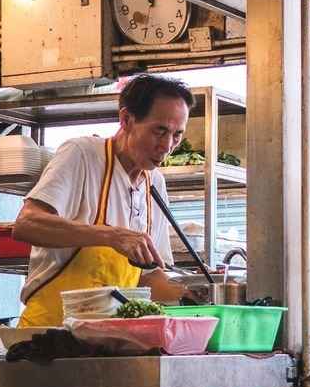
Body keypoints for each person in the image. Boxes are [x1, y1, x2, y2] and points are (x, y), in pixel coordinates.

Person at [13, 75, 195, 327]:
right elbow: (27, 224)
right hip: (52, 336)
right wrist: (112, 236)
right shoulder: (82, 154)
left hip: (113, 338)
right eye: (160, 131)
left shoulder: (156, 183)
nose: (167, 145)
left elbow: (149, 277)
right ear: (127, 120)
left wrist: (193, 296)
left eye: (177, 135)